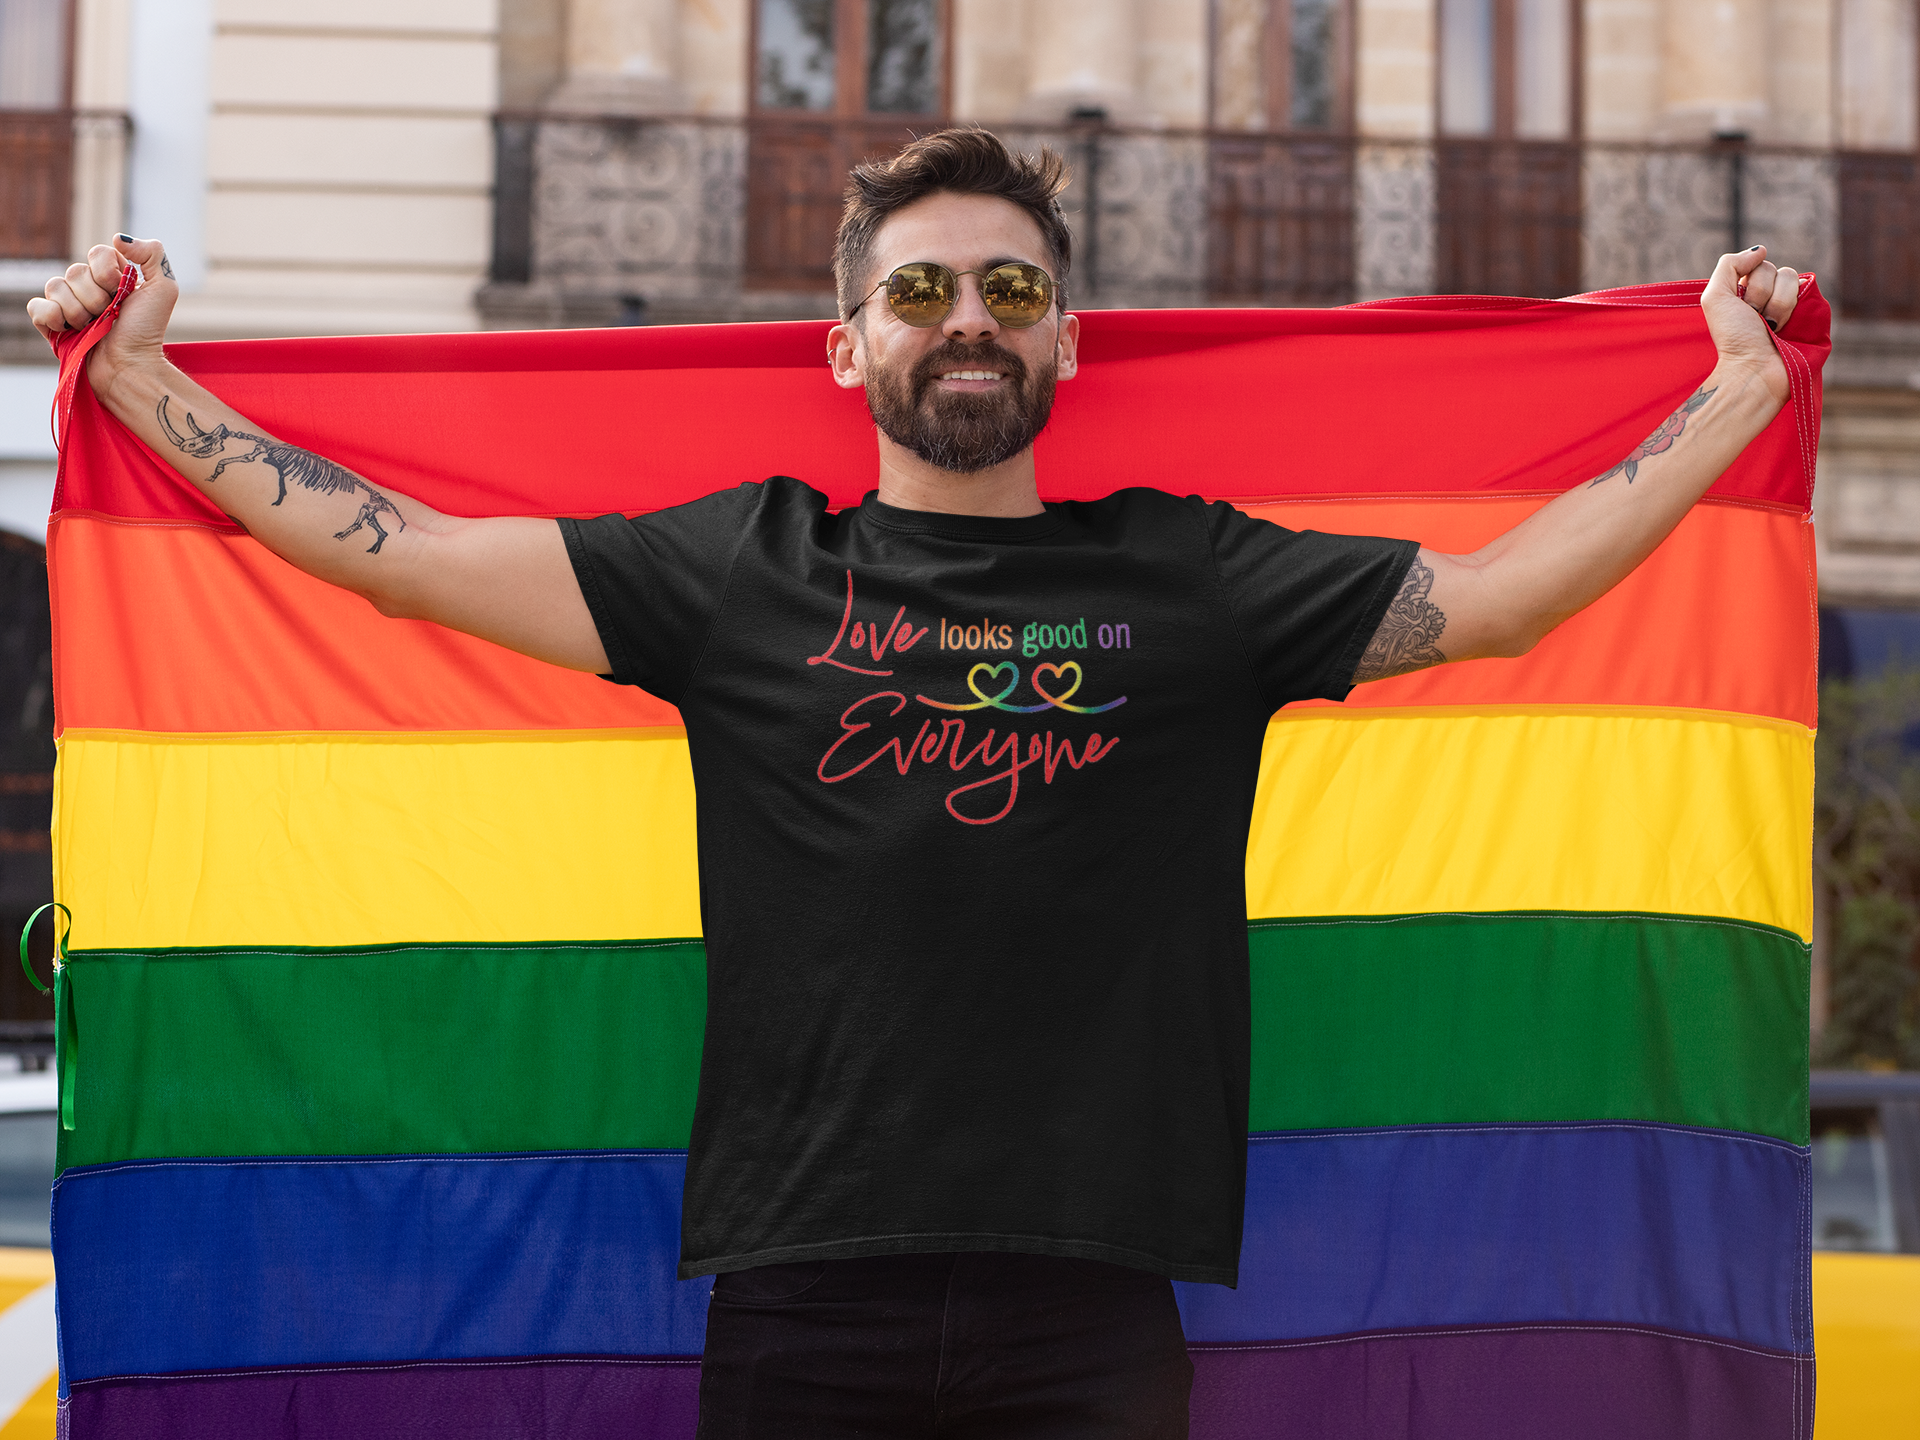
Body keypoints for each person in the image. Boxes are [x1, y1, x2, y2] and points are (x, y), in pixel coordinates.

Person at [29, 129, 1799, 1439]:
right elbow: (404, 554)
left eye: (1013, 290)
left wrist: (1735, 393)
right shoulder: (745, 572)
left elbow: (1494, 603)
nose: (970, 321)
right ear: (849, 344)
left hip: (1096, 1304)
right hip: (803, 1302)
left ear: (1066, 342)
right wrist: (140, 381)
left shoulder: (1187, 578)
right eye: (924, 290)